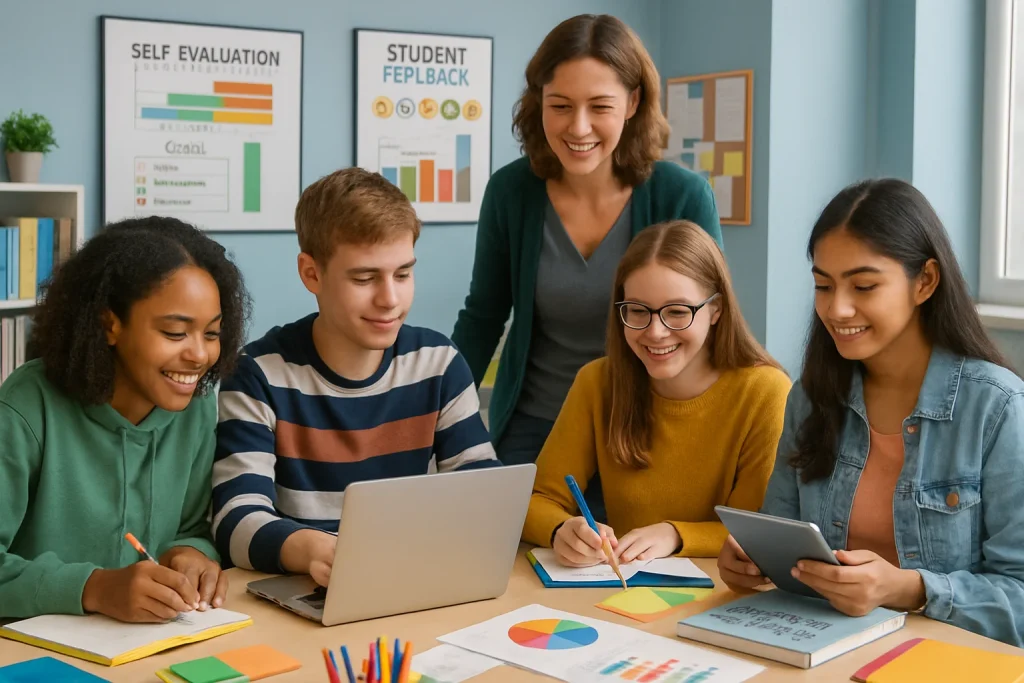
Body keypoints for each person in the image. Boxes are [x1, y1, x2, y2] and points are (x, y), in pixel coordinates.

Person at [717, 178, 1024, 647]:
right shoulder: (811, 398)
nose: (837, 308)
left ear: (925, 281)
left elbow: (1019, 597)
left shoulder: (998, 407)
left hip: (943, 662)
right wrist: (753, 563)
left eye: (863, 285)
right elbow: (781, 537)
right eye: (823, 285)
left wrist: (910, 588)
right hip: (826, 653)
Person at [451, 15, 723, 494]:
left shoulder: (682, 196)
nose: (578, 127)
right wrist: (435, 413)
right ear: (538, 104)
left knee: (636, 566)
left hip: (646, 429)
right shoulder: (511, 192)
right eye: (560, 105)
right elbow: (482, 317)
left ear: (633, 103)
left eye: (600, 106)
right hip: (533, 429)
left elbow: (711, 325)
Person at [213, 168, 499, 586]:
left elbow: (482, 488)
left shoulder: (438, 362)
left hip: (408, 581)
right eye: (365, 278)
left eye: (403, 274)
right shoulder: (258, 375)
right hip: (306, 588)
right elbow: (234, 519)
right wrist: (313, 550)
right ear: (311, 273)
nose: (390, 299)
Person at [0, 216, 250, 622]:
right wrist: (95, 588)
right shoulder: (26, 407)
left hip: (144, 649)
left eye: (211, 333)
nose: (200, 356)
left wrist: (190, 554)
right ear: (110, 323)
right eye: (175, 333)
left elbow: (190, 528)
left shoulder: (195, 405)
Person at [521, 221, 789, 566]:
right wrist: (561, 529)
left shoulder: (765, 391)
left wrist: (675, 534)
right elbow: (536, 500)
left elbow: (757, 529)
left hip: (724, 597)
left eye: (677, 312)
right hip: (620, 594)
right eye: (637, 310)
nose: (655, 331)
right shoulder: (597, 382)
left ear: (716, 309)